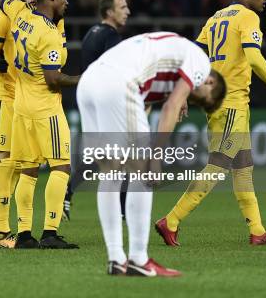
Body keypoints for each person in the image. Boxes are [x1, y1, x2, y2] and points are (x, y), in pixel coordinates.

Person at [156, 0, 266, 246]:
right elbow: (253, 57)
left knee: (243, 168)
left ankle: (257, 231)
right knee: (218, 167)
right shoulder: (248, 16)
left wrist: (182, 95)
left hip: (223, 101)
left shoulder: (216, 17)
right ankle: (170, 220)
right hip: (230, 102)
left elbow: (194, 56)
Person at [77, 32, 226, 277]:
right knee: (142, 174)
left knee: (110, 174)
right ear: (209, 82)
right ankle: (139, 258)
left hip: (90, 82)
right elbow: (171, 106)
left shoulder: (167, 60)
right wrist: (154, 158)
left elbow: (143, 103)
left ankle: (116, 258)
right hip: (119, 83)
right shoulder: (201, 61)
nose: (194, 97)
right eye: (202, 98)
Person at [0, 0, 68, 245]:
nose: (67, 1)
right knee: (58, 167)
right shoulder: (44, 30)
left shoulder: (20, 15)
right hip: (38, 104)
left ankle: (24, 232)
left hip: (21, 104)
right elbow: (54, 78)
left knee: (26, 170)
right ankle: (42, 232)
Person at [64, 0, 131, 221]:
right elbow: (115, 72)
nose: (127, 11)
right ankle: (121, 211)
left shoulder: (91, 33)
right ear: (109, 12)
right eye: (122, 7)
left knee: (102, 155)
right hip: (107, 100)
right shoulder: (111, 36)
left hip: (91, 98)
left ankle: (68, 190)